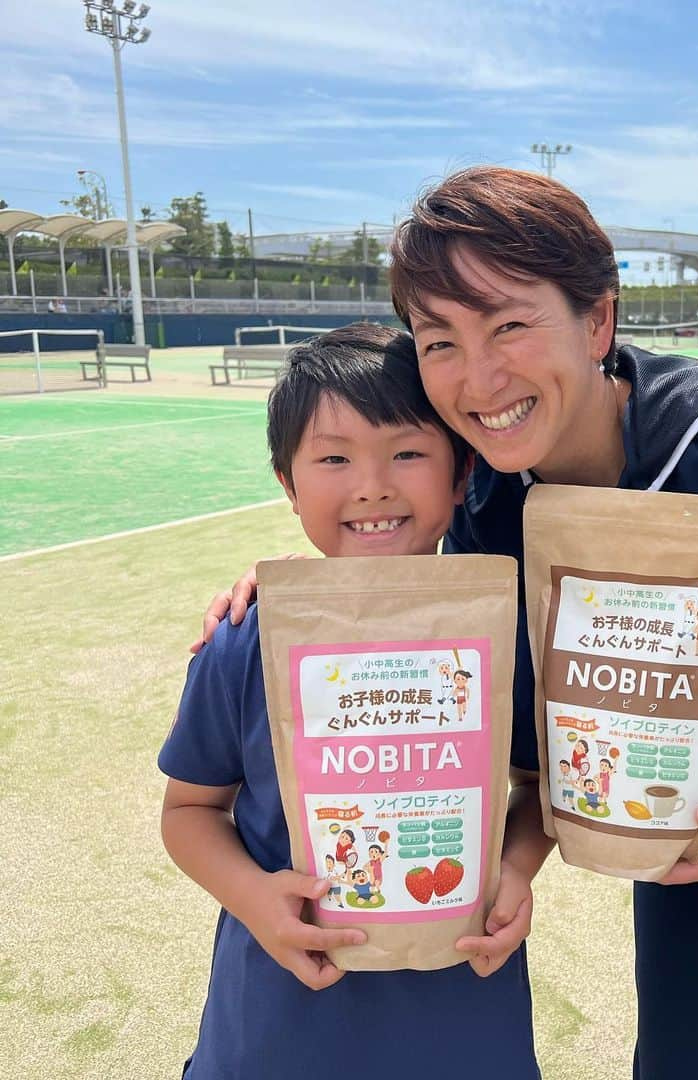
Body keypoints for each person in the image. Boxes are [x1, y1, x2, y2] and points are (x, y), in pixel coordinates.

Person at [201, 167, 698, 1080]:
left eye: (511, 325)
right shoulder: (490, 490)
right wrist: (309, 587)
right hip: (680, 828)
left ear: (598, 321)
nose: (479, 379)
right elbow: (429, 570)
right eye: (439, 341)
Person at [162, 324, 539, 1079]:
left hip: (465, 1014)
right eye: (333, 458)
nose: (372, 485)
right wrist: (255, 897)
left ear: (462, 473)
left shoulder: (503, 630)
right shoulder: (247, 639)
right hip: (282, 1021)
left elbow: (533, 790)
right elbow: (189, 811)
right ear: (288, 482)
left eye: (407, 452)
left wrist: (519, 870)